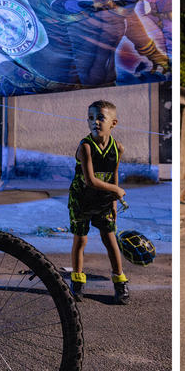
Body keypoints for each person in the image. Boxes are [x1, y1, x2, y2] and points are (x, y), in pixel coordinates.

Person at [68, 100, 129, 304]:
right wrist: (117, 191)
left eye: (101, 117)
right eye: (91, 118)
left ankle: (120, 281)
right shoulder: (85, 147)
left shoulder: (117, 148)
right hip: (82, 200)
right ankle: (77, 281)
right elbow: (90, 180)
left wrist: (113, 201)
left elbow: (114, 174)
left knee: (110, 239)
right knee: (81, 240)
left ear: (113, 122)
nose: (95, 122)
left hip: (103, 201)